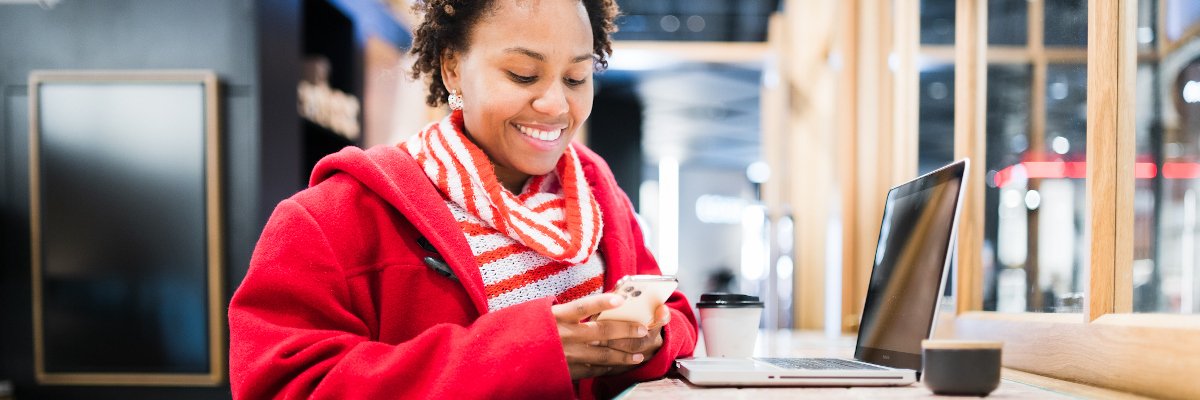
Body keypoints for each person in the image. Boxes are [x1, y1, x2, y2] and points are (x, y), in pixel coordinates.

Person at [227, 0, 698, 398]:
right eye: (523, 74)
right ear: (453, 68)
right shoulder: (331, 217)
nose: (556, 104)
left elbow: (675, 312)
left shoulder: (598, 198)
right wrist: (524, 351)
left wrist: (643, 340)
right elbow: (282, 383)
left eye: (576, 78)